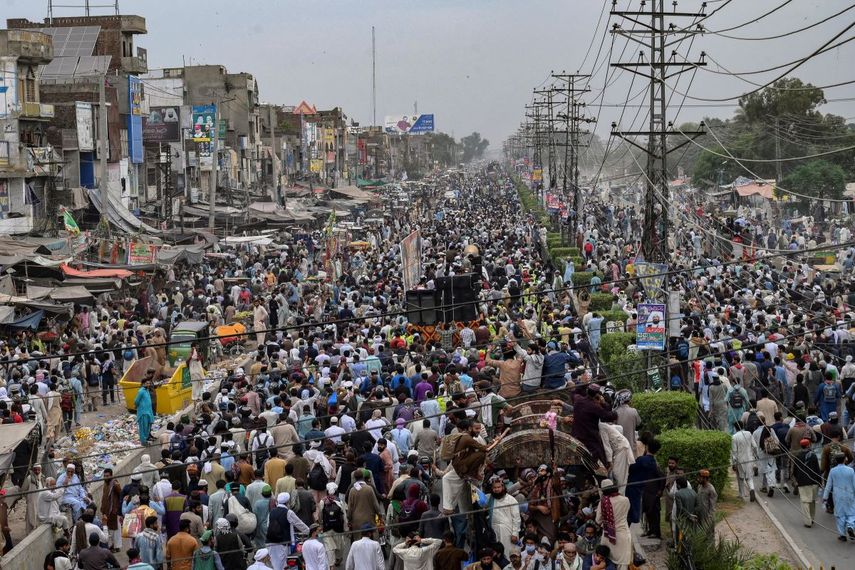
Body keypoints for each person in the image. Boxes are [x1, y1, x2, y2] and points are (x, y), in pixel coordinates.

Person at [266, 493, 309, 570]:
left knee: (274, 565)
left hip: (270, 543)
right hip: (282, 543)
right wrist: (310, 531)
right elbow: (299, 524)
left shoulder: (271, 512)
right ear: (287, 502)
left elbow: (268, 525)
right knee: (283, 566)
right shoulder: (288, 512)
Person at [823, 453, 855, 541]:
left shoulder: (833, 471)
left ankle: (842, 535)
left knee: (840, 514)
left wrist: (825, 497)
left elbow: (829, 485)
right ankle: (850, 526)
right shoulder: (851, 470)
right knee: (851, 512)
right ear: (845, 459)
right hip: (850, 494)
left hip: (838, 495)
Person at [792, 438, 821, 527]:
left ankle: (807, 521)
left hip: (803, 482)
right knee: (812, 501)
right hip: (814, 481)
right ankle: (812, 518)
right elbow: (817, 469)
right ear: (808, 445)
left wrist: (797, 480)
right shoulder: (813, 455)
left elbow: (795, 471)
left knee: (805, 502)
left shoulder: (797, 456)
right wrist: (819, 481)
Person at [487, 478, 520, 558]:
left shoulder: (511, 500)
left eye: (498, 487)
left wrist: (515, 533)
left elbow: (516, 518)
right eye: (494, 488)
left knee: (508, 553)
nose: (497, 489)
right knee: (496, 554)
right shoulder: (489, 499)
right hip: (494, 531)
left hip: (508, 532)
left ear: (503, 487)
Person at [730, 421, 758, 502]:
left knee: (740, 478)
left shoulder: (734, 437)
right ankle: (752, 489)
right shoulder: (749, 434)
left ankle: (741, 495)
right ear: (743, 426)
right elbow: (755, 446)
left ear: (735, 428)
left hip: (740, 460)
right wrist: (754, 456)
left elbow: (734, 452)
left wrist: (734, 463)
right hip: (750, 458)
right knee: (749, 477)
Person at [100, 467, 123, 552]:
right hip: (106, 511)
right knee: (109, 530)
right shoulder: (105, 484)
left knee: (116, 530)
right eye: (105, 476)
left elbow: (121, 494)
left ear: (111, 475)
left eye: (107, 476)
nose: (106, 477)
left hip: (114, 511)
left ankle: (116, 546)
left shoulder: (115, 483)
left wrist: (117, 508)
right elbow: (104, 497)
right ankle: (111, 546)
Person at [135, 378, 156, 445]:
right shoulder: (141, 391)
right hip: (143, 413)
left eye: (149, 383)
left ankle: (146, 439)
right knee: (143, 428)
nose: (148, 384)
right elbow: (136, 401)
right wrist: (137, 406)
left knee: (147, 427)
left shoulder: (147, 390)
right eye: (147, 383)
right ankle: (143, 442)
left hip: (148, 412)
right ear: (143, 383)